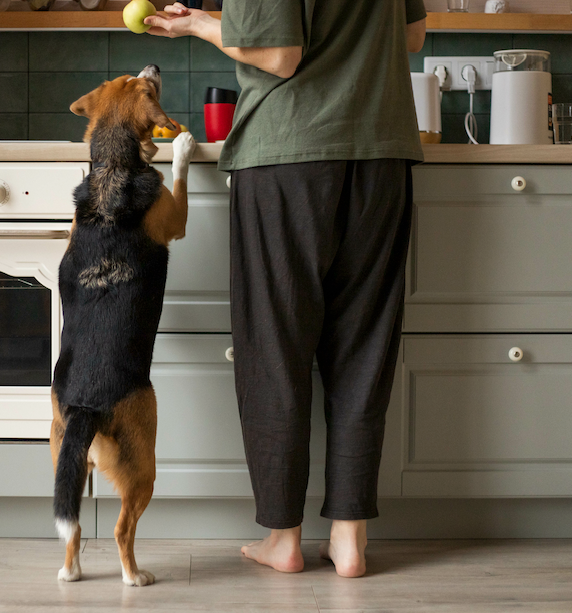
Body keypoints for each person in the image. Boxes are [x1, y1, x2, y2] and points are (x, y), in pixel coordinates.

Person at [145, 0, 427, 578]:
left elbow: (279, 54)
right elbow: (414, 37)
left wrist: (197, 23)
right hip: (381, 153)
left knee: (275, 348)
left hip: (287, 157)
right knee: (363, 348)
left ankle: (285, 537)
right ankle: (350, 539)